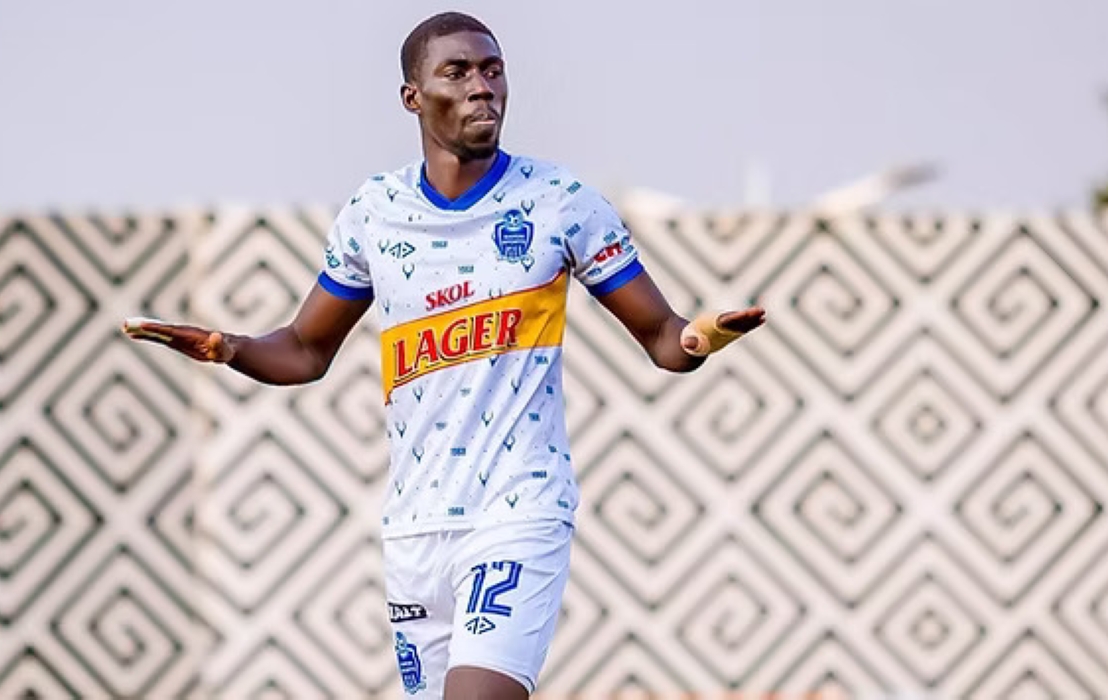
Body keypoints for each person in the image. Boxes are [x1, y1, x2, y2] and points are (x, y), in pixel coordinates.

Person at [123, 11, 765, 699]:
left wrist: (700, 339)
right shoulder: (376, 212)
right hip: (415, 530)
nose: (481, 86)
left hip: (518, 511)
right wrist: (230, 348)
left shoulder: (559, 203)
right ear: (413, 97)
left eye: (492, 70)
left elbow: (663, 337)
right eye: (457, 72)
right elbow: (306, 350)